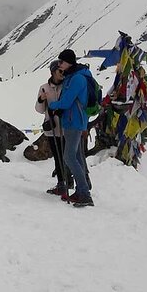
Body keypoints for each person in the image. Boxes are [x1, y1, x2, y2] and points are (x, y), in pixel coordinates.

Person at [48, 49, 94, 207]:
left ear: (69, 62)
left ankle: (84, 193)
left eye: (61, 62)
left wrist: (52, 105)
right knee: (77, 157)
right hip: (71, 121)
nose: (59, 65)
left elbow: (66, 102)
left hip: (75, 121)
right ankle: (83, 188)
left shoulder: (77, 79)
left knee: (68, 157)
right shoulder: (72, 77)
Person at [35, 61, 72, 199]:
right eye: (60, 71)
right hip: (52, 128)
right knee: (58, 156)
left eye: (63, 71)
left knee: (68, 156)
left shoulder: (67, 86)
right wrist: (41, 99)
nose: (62, 73)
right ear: (53, 72)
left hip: (66, 127)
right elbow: (39, 109)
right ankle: (62, 183)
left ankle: (69, 181)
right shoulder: (44, 88)